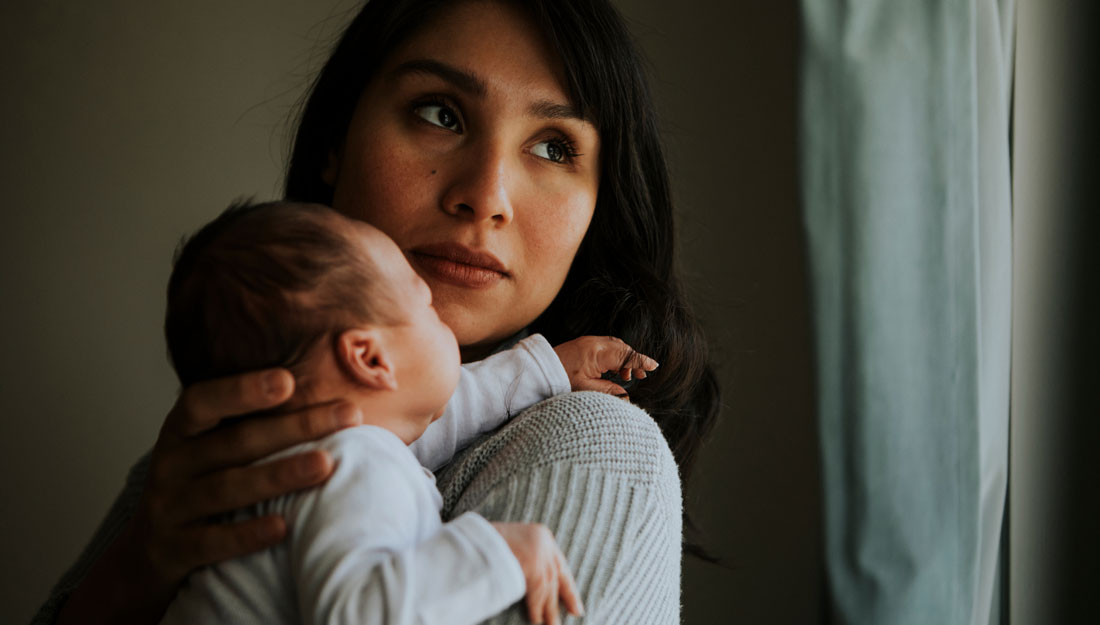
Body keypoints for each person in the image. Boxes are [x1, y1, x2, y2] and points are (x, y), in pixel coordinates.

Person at [36, 1, 719, 623]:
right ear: (337, 138)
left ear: (599, 206)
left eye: (553, 146)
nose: (485, 197)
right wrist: (131, 571)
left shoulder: (597, 444)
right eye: (440, 113)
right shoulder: (203, 466)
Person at [156, 200, 654, 624]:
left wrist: (552, 368)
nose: (442, 321)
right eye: (428, 309)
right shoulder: (350, 465)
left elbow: (449, 408)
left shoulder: (321, 454)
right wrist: (500, 551)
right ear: (371, 359)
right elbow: (360, 614)